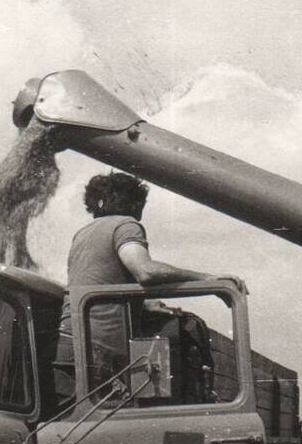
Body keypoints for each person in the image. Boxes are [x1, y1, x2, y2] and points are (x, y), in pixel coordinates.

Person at [54, 172, 217, 407]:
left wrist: (144, 304)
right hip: (100, 352)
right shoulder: (126, 225)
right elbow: (145, 271)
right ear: (132, 202)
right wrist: (206, 278)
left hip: (69, 345)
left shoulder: (83, 234)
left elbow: (97, 281)